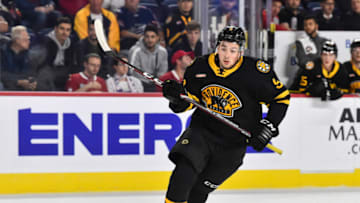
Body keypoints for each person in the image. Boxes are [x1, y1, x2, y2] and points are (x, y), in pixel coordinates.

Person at [161, 26, 290, 203]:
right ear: (217, 47)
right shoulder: (200, 66)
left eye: (233, 50)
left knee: (199, 190)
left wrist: (268, 125)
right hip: (202, 132)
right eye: (223, 48)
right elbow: (188, 102)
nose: (227, 55)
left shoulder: (255, 72)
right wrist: (176, 98)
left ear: (241, 51)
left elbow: (281, 99)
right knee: (183, 172)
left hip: (233, 144)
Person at [37, 16, 76, 91]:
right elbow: (42, 64)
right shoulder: (46, 41)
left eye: (68, 30)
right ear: (55, 29)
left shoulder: (72, 43)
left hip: (63, 72)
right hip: (48, 72)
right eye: (62, 29)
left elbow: (71, 64)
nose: (65, 32)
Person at [128, 24, 168, 92]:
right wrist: (148, 81)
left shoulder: (163, 51)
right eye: (147, 37)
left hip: (156, 84)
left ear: (157, 38)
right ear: (143, 37)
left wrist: (155, 82)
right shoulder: (135, 50)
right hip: (139, 83)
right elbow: (133, 72)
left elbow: (163, 71)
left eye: (152, 37)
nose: (150, 40)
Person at [0, 25, 33, 90]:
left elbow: (30, 72)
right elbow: (1, 74)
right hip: (6, 86)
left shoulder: (29, 54)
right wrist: (17, 81)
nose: (29, 42)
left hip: (24, 86)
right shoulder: (2, 52)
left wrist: (32, 80)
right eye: (26, 40)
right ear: (17, 40)